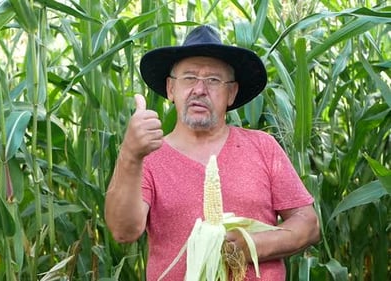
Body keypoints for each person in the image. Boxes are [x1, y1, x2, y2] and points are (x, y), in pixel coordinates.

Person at [105, 25, 320, 280]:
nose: (199, 89)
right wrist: (130, 154)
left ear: (232, 93)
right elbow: (123, 231)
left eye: (213, 80)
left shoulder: (263, 147)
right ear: (171, 89)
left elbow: (308, 223)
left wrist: (250, 245)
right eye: (189, 78)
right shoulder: (149, 157)